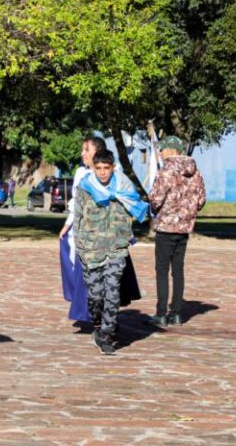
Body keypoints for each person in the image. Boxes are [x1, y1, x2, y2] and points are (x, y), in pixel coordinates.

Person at [73, 149, 148, 355]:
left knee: (113, 291)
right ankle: (98, 326)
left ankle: (107, 334)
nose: (103, 173)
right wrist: (79, 245)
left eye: (107, 168)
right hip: (91, 250)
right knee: (96, 296)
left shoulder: (124, 186)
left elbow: (135, 207)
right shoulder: (85, 188)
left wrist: (126, 235)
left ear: (113, 167)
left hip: (116, 249)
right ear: (93, 167)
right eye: (99, 168)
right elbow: (77, 218)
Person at [145, 136, 206, 327]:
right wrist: (187, 213)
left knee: (162, 270)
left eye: (162, 150)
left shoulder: (166, 171)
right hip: (184, 228)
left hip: (165, 227)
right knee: (178, 270)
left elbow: (155, 198)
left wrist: (155, 208)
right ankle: (177, 313)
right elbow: (202, 199)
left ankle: (161, 313)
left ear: (171, 150)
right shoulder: (195, 172)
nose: (161, 154)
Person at [58, 136, 108, 323]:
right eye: (83, 150)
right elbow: (76, 202)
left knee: (97, 274)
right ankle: (83, 308)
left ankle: (99, 314)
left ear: (98, 151)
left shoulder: (108, 172)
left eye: (87, 149)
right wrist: (67, 224)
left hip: (100, 232)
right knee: (75, 264)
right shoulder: (80, 173)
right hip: (80, 229)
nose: (82, 153)